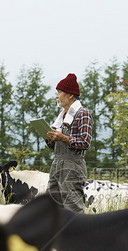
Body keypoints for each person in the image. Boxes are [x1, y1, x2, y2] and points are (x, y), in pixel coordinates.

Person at [45, 73, 92, 213]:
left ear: (70, 95)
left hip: (73, 166)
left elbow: (85, 142)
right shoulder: (62, 117)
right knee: (52, 207)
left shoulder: (83, 114)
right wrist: (49, 138)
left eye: (59, 92)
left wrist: (62, 138)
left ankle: (80, 234)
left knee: (73, 209)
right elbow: (55, 146)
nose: (57, 96)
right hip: (57, 164)